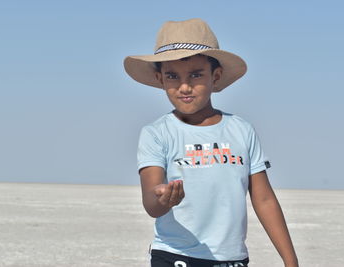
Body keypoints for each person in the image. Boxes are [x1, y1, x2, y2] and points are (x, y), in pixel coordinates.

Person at [124, 18, 298, 267]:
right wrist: (163, 199)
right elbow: (151, 203)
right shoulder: (157, 133)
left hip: (231, 259)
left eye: (195, 75)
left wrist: (291, 262)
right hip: (174, 256)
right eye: (172, 76)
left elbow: (264, 200)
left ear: (215, 77)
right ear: (160, 78)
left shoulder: (241, 130)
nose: (184, 86)